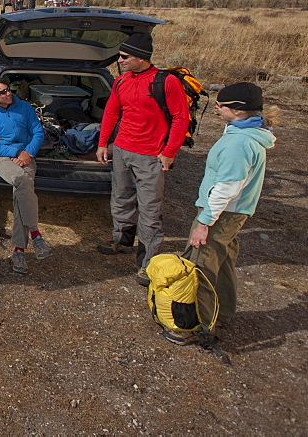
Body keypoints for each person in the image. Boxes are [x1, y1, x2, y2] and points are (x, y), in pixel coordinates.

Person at [165, 83, 277, 345]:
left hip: (221, 213)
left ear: (237, 111)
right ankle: (223, 312)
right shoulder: (249, 134)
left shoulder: (238, 143)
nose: (216, 108)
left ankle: (196, 326)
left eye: (221, 105)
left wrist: (204, 222)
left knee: (201, 266)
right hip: (234, 214)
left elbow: (227, 186)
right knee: (222, 262)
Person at [96, 33, 190, 287]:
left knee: (150, 210)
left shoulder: (166, 82)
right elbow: (112, 112)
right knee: (121, 199)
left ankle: (149, 264)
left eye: (125, 57)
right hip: (122, 150)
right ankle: (122, 241)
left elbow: (181, 118)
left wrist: (169, 152)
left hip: (151, 155)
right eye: (120, 56)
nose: (120, 60)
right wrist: (104, 143)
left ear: (141, 57)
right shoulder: (121, 81)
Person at [0, 76, 49, 274]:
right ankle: (35, 233)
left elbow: (37, 133)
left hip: (26, 157)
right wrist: (15, 153)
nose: (8, 94)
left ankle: (19, 251)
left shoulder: (24, 107)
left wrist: (27, 153)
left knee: (22, 189)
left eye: (8, 90)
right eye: (2, 92)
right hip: (2, 158)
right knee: (21, 180)